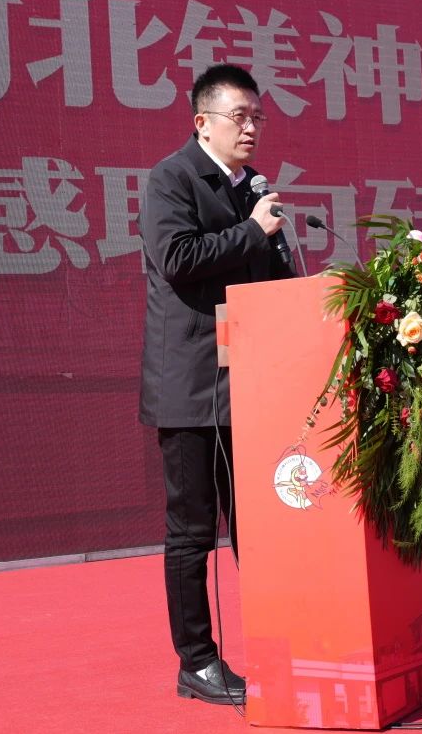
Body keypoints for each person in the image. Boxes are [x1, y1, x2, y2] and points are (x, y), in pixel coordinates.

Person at [138, 64, 294, 705]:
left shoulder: (250, 188)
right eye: (240, 116)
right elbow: (177, 259)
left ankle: (282, 642)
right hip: (191, 388)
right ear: (202, 122)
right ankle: (197, 662)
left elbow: (272, 283)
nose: (252, 127)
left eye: (258, 116)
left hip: (249, 387)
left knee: (257, 530)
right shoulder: (171, 179)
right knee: (192, 532)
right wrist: (253, 230)